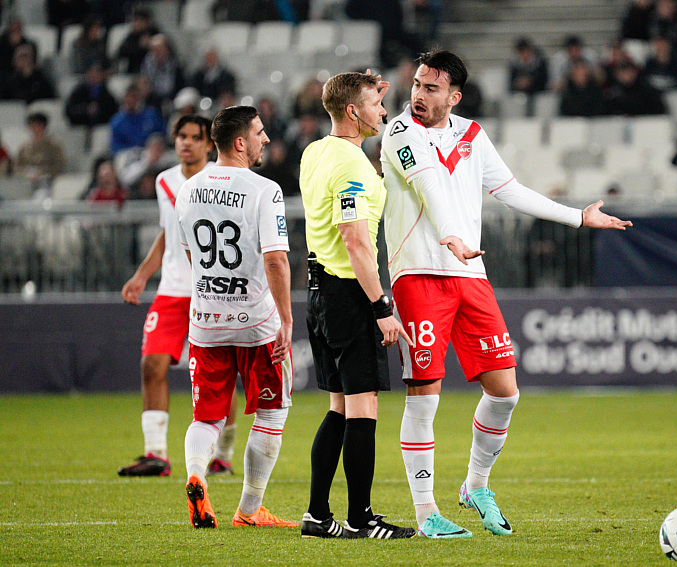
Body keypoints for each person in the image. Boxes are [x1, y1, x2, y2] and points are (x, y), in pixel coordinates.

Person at [380, 49, 631, 538]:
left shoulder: (472, 135)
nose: (418, 95)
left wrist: (577, 217)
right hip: (418, 273)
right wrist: (452, 235)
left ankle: (476, 485)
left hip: (470, 275)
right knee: (424, 398)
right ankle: (426, 512)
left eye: (431, 88)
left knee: (505, 393)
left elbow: (510, 190)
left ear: (454, 97)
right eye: (416, 84)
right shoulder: (399, 131)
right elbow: (427, 185)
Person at [299, 71, 416, 540]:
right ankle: (361, 519)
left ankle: (317, 515)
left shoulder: (316, 152)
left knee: (340, 408)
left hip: (319, 292)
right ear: (352, 111)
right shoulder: (351, 166)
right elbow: (355, 242)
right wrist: (381, 307)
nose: (383, 111)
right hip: (349, 294)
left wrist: (367, 94)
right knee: (363, 406)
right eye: (375, 104)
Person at [176, 105, 296, 529]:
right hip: (256, 322)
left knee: (207, 416)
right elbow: (276, 259)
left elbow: (191, 255)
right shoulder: (264, 189)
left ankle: (196, 472)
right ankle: (248, 509)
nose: (266, 139)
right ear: (241, 142)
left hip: (206, 320)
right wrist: (286, 319)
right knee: (272, 412)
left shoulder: (188, 189)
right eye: (260, 133)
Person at [119, 115, 240, 477]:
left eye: (194, 137)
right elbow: (167, 233)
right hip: (172, 289)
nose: (187, 143)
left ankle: (223, 454)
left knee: (219, 375)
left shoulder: (223, 179)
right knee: (151, 364)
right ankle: (156, 454)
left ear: (208, 144)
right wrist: (142, 276)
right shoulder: (164, 181)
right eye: (181, 136)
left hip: (213, 290)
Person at [15, 112, 65, 195]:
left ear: (44, 127)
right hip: (26, 182)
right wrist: (27, 173)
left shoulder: (54, 147)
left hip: (47, 182)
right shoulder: (24, 147)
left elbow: (59, 166)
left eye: (38, 126)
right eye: (32, 126)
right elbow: (17, 167)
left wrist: (42, 172)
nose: (35, 129)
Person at [65, 63, 118, 129]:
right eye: (91, 74)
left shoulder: (107, 94)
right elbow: (69, 110)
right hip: (80, 127)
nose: (94, 77)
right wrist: (85, 110)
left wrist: (98, 111)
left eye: (97, 74)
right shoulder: (78, 92)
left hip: (101, 127)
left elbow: (112, 112)